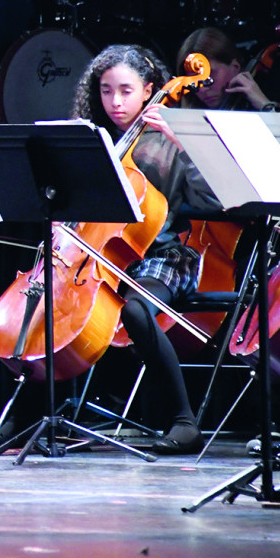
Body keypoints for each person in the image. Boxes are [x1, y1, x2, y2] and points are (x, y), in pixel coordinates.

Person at [71, 44, 215, 453]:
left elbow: (211, 201)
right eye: (105, 90)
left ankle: (184, 421)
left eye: (126, 90)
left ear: (151, 89)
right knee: (54, 304)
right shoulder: (94, 139)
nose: (115, 102)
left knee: (135, 309)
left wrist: (182, 142)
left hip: (164, 254)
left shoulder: (169, 140)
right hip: (103, 255)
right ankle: (25, 414)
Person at [176, 26, 280, 124]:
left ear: (235, 67)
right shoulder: (188, 124)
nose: (202, 88)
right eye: (193, 80)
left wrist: (265, 105)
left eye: (209, 75)